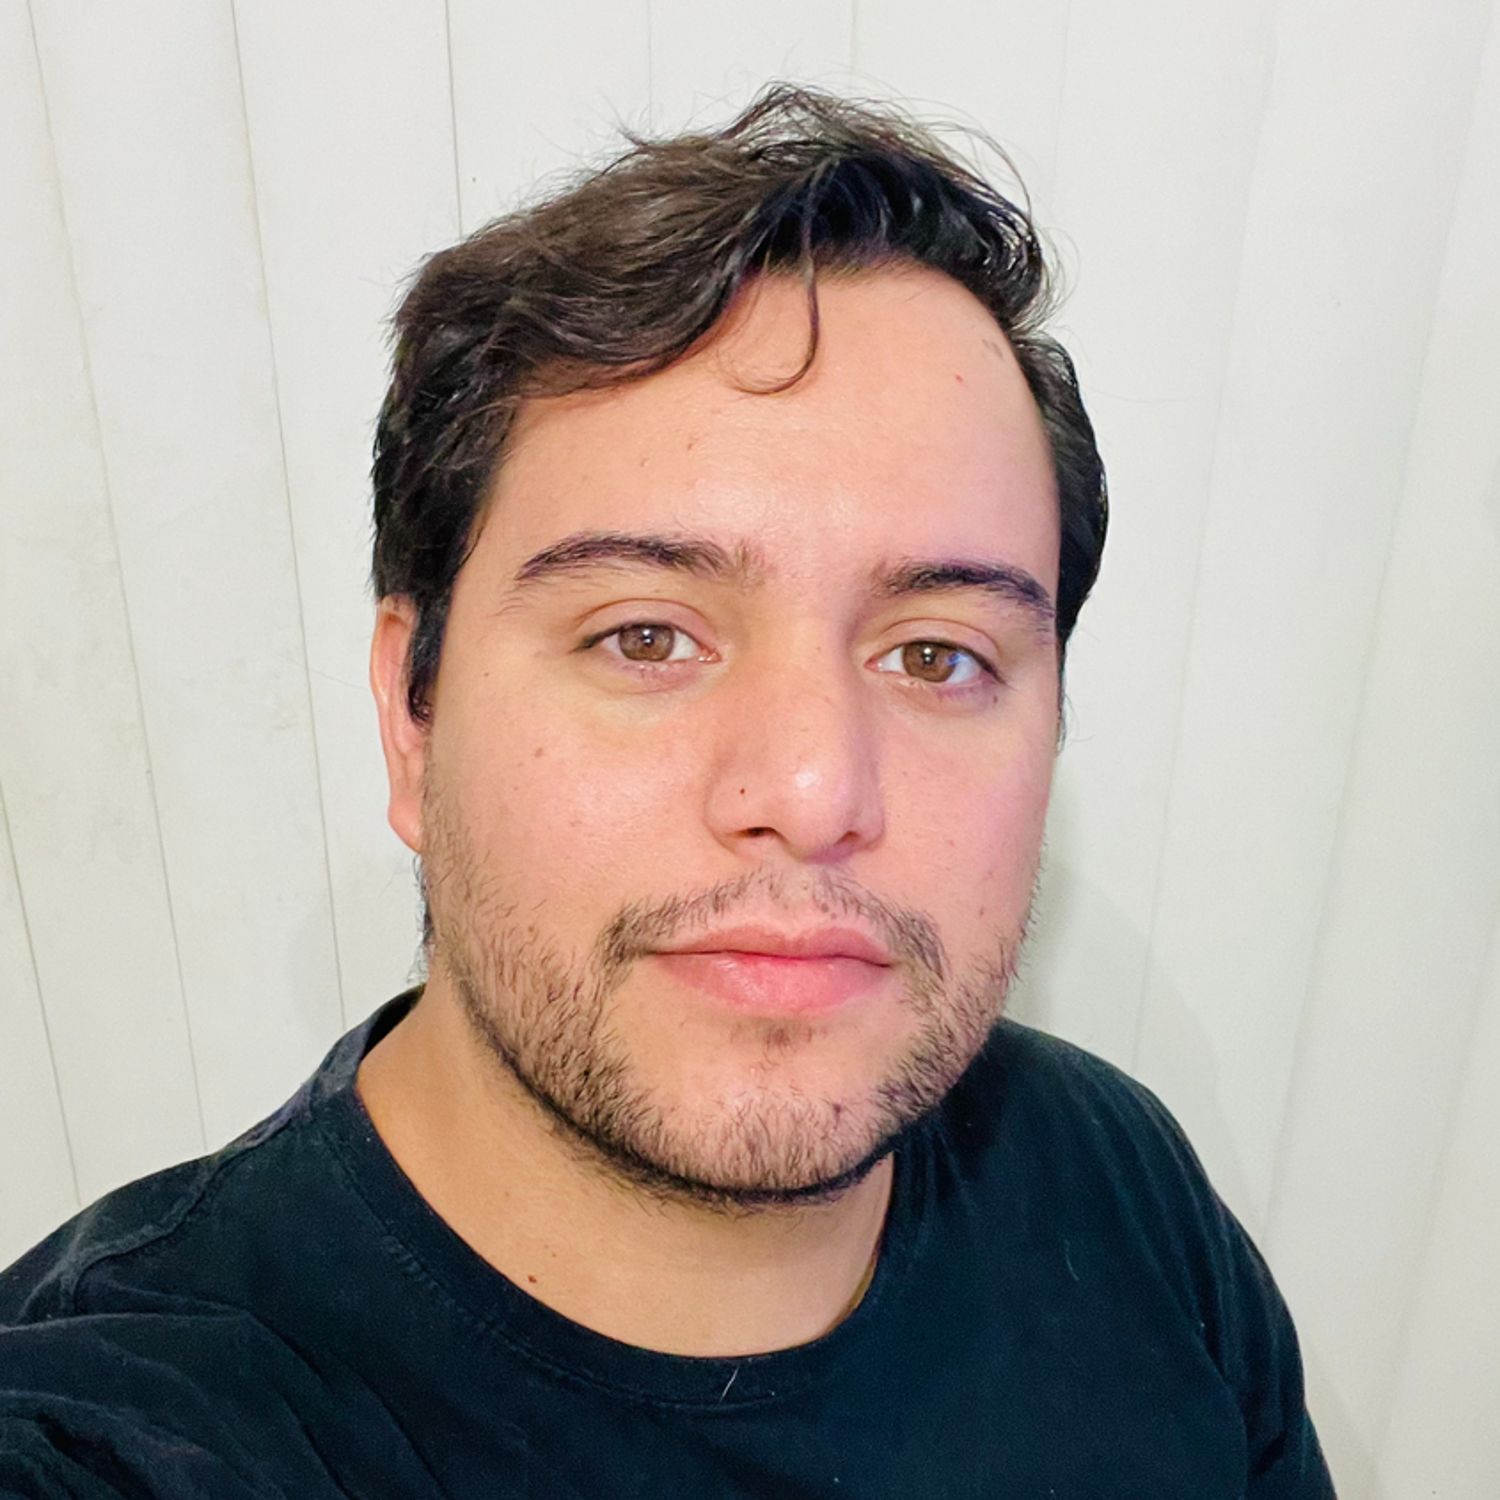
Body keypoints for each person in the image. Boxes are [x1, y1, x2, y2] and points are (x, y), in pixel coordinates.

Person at [0, 85, 1334, 1497]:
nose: (812, 790)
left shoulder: (1112, 1181)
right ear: (413, 715)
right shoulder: (126, 1431)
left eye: (935, 655)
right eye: (645, 637)